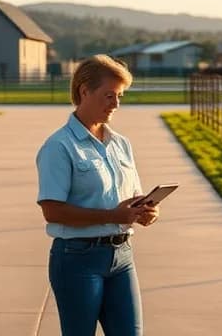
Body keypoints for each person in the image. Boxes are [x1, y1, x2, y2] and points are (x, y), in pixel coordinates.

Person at [36, 54, 159, 336]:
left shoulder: (121, 144)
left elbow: (134, 195)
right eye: (109, 96)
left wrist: (145, 211)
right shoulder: (58, 147)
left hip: (122, 257)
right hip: (77, 260)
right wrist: (113, 215)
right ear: (84, 91)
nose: (116, 104)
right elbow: (52, 211)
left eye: (120, 96)